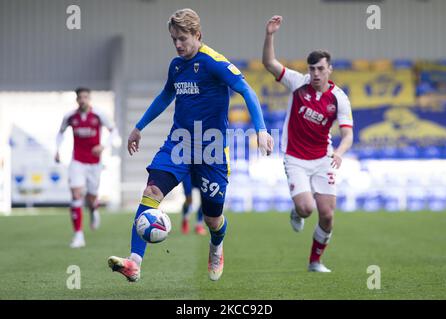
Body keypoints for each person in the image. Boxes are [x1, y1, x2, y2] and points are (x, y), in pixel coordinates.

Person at [108, 8, 273, 282]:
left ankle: (216, 245)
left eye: (182, 38)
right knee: (151, 191)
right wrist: (139, 127)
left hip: (211, 149)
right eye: (174, 39)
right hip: (179, 144)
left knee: (212, 220)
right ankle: (134, 262)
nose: (177, 44)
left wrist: (262, 130)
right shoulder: (176, 65)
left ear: (197, 35)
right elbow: (165, 95)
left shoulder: (214, 62)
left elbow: (247, 91)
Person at [262, 16, 354, 272]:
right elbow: (269, 63)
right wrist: (270, 35)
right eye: (312, 69)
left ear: (329, 69)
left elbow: (348, 135)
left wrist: (339, 152)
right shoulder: (297, 82)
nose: (315, 73)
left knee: (327, 215)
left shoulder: (339, 99)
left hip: (323, 159)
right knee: (306, 209)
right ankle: (297, 211)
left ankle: (315, 261)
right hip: (295, 158)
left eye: (320, 69)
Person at [55, 87, 118, 248]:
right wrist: (57, 150)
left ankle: (94, 209)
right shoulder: (70, 116)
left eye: (85, 97)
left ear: (89, 99)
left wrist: (103, 146)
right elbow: (60, 133)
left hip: (94, 163)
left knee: (91, 196)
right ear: (77, 100)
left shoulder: (99, 114)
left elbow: (114, 131)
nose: (83, 100)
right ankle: (78, 235)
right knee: (76, 194)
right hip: (77, 161)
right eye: (80, 97)